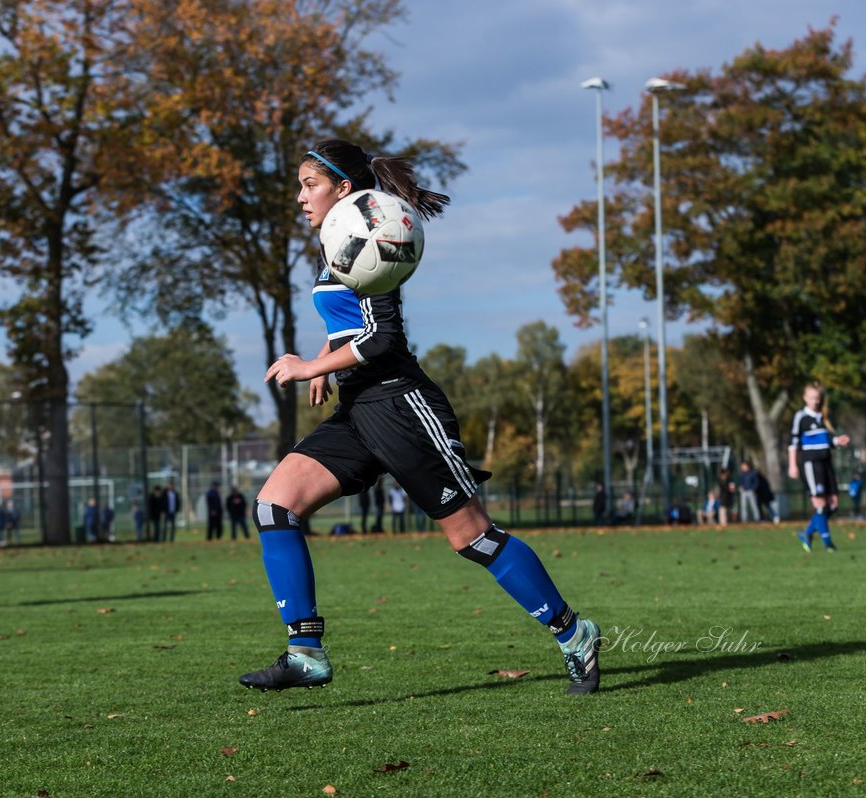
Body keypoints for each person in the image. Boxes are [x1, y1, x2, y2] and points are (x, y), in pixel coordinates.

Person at [237, 140, 600, 697]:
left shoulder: (374, 233)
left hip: (402, 407)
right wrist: (325, 367)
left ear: (342, 189)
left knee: (472, 539)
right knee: (274, 506)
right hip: (358, 409)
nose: (300, 196)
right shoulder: (338, 242)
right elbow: (352, 324)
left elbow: (382, 339)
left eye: (309, 184)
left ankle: (574, 635)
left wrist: (311, 363)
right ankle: (305, 651)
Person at [788, 382, 850, 552]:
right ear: (805, 398)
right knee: (820, 504)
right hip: (810, 464)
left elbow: (827, 441)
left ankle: (807, 533)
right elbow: (793, 442)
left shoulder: (822, 418)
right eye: (812, 398)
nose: (815, 401)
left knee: (833, 504)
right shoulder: (801, 417)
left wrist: (838, 441)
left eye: (817, 398)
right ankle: (828, 543)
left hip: (826, 463)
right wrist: (792, 465)